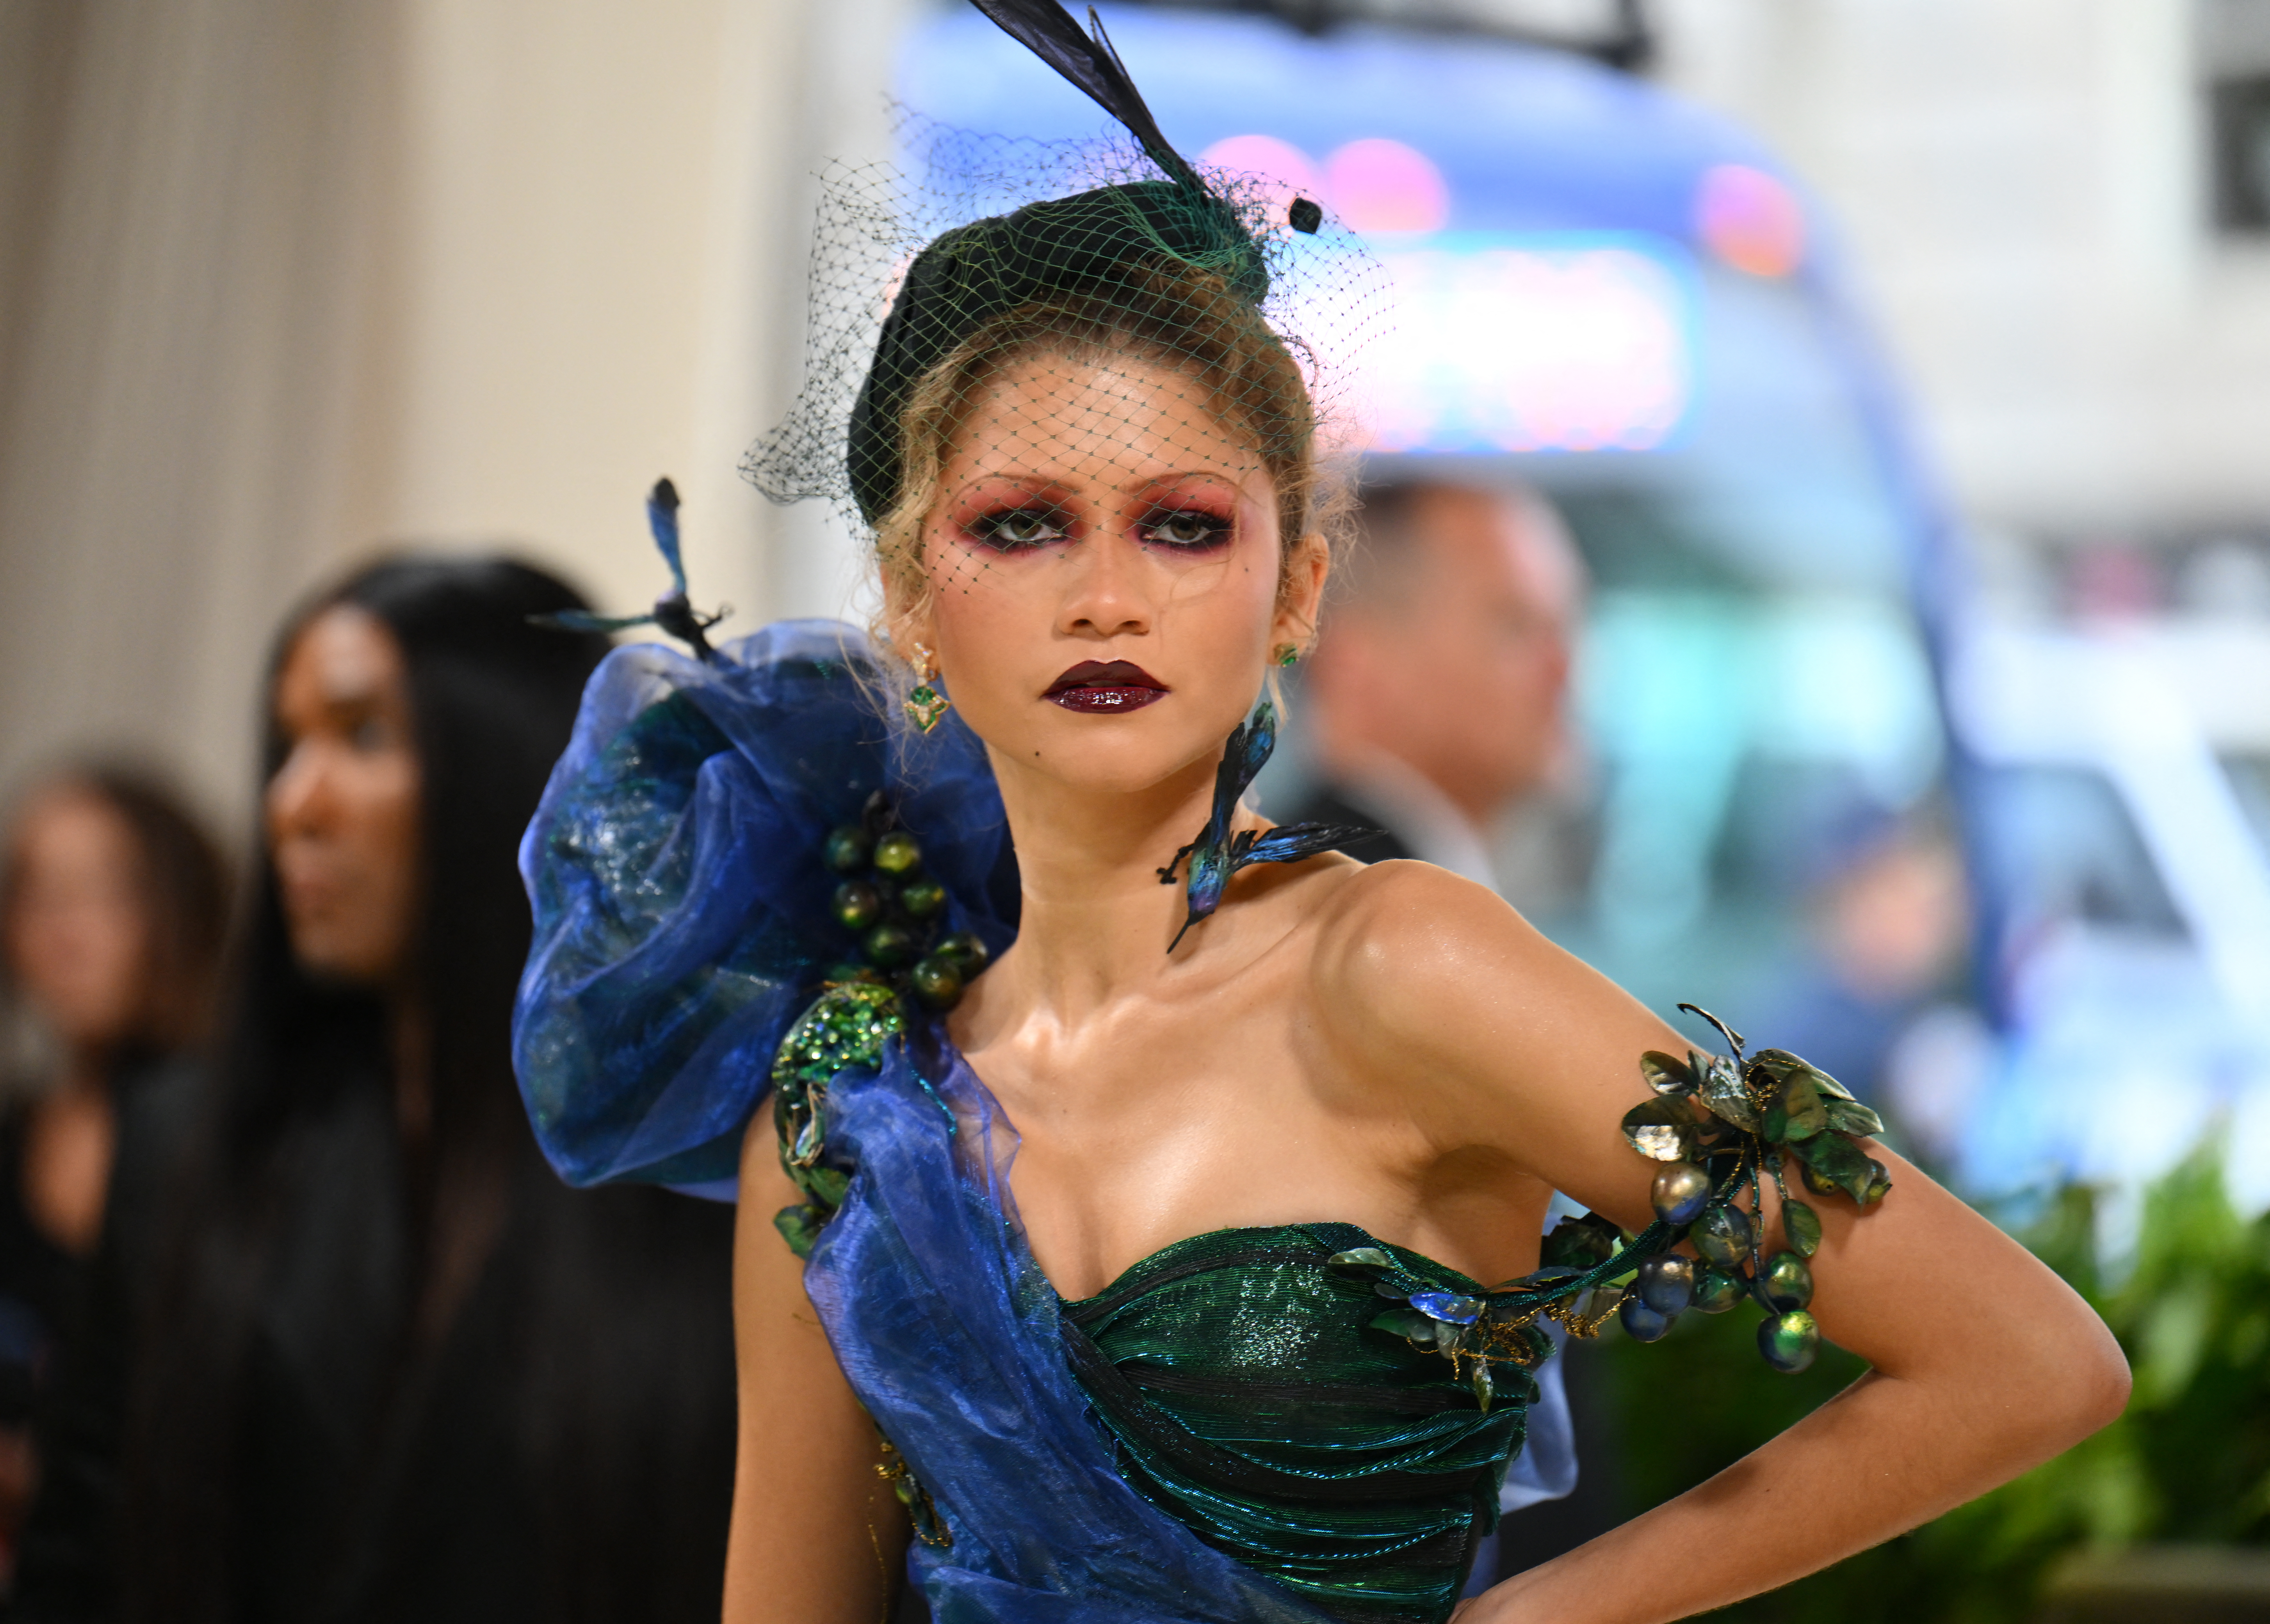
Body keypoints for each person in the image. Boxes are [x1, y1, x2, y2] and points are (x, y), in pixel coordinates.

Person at [515, 6, 2129, 1621]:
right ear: (911, 601)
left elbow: (2021, 1355)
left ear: (1293, 588)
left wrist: (1537, 1613)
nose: (1103, 597)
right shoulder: (842, 1106)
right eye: (1021, 525)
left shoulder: (1406, 966)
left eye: (1183, 527)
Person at [10, 558, 738, 1624]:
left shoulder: (697, 1166)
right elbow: (76, 1560)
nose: (293, 802)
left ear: (514, 764)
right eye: (285, 744)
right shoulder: (185, 1143)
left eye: (361, 736)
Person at [0, 767, 228, 1613]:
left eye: (104, 892)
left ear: (180, 908)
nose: (65, 930)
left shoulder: (219, 1160)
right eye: (33, 892)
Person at [1290, 480, 1581, 885]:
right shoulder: (1355, 916)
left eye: (1565, 630)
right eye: (1517, 628)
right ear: (1352, 659)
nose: (1563, 670)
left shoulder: (1312, 892)